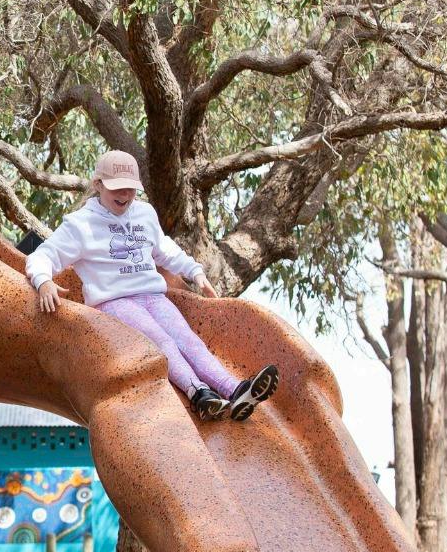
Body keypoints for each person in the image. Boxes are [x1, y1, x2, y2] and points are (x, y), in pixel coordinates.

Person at [24, 151, 278, 422]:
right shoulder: (80, 224)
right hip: (114, 302)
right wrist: (44, 281)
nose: (124, 194)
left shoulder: (144, 214)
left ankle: (235, 389)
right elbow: (43, 255)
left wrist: (195, 272)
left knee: (188, 339)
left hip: (152, 296)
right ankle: (200, 393)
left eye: (130, 188)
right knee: (161, 340)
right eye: (116, 188)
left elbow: (165, 249)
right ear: (98, 184)